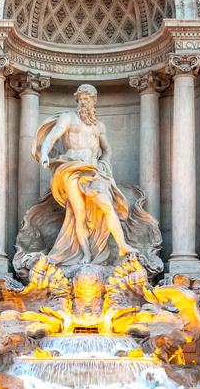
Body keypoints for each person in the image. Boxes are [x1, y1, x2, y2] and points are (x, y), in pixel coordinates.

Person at [31, 84, 137, 267]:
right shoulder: (68, 118)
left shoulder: (99, 126)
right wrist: (45, 154)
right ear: (77, 99)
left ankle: (122, 245)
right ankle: (85, 255)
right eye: (81, 98)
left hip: (94, 171)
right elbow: (52, 136)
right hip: (71, 167)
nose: (84, 101)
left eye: (88, 98)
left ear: (94, 101)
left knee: (106, 205)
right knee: (78, 212)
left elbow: (107, 149)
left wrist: (105, 163)